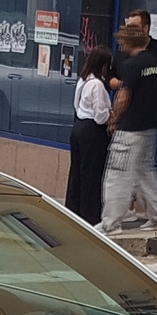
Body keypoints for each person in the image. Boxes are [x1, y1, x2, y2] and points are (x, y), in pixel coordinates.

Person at [103, 10, 157, 233]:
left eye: (123, 41)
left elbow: (124, 95)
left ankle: (110, 223)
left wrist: (114, 120)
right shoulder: (153, 61)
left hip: (131, 127)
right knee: (145, 172)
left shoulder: (133, 66)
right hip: (150, 125)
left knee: (117, 173)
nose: (121, 46)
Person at [64, 47, 114, 226]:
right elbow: (101, 116)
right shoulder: (98, 85)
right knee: (91, 174)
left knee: (77, 172)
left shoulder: (83, 80)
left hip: (79, 127)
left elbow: (77, 106)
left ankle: (73, 209)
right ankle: (90, 214)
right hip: (93, 131)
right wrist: (112, 114)